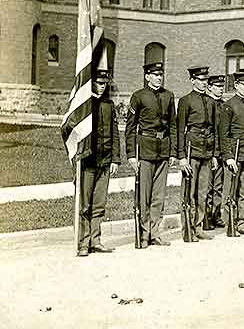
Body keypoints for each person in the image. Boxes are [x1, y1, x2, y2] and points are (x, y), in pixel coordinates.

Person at [126, 61, 176, 248]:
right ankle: (144, 233)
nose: (159, 78)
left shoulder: (168, 96)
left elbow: (172, 125)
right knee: (144, 195)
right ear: (147, 76)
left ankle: (155, 233)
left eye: (161, 75)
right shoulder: (138, 96)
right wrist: (131, 154)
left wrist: (172, 152)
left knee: (159, 196)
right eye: (155, 75)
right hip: (145, 150)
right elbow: (130, 128)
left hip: (163, 149)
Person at [77, 67, 120, 256]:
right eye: (98, 83)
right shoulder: (84, 106)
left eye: (104, 84)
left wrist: (115, 159)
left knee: (99, 204)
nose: (101, 87)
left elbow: (115, 134)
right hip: (88, 161)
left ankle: (96, 239)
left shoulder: (109, 105)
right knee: (85, 204)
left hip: (104, 160)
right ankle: (83, 242)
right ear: (91, 83)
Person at [175, 65, 217, 242]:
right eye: (200, 80)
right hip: (191, 151)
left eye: (205, 80)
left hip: (206, 151)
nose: (203, 83)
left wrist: (214, 154)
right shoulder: (186, 101)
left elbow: (214, 129)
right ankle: (187, 228)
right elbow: (179, 130)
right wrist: (182, 156)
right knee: (189, 192)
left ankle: (198, 226)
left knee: (202, 192)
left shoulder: (211, 101)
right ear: (192, 81)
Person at [219, 71, 244, 236]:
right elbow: (223, 134)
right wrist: (227, 157)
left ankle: (241, 221)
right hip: (234, 153)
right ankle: (229, 222)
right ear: (236, 86)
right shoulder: (228, 105)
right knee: (231, 189)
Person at [203, 72, 227, 230]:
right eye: (217, 86)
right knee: (207, 186)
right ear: (210, 87)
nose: (220, 89)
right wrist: (212, 154)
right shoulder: (206, 103)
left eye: (222, 87)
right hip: (210, 152)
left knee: (218, 187)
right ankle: (206, 217)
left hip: (221, 152)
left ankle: (216, 215)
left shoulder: (223, 105)